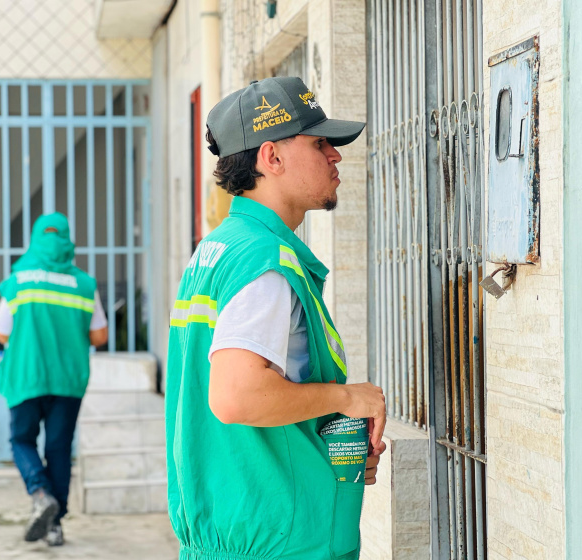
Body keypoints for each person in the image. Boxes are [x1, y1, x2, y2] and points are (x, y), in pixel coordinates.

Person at [165, 76, 387, 560]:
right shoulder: (262, 259)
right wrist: (349, 397)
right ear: (272, 157)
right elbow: (237, 396)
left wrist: (325, 451)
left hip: (247, 528)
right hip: (279, 543)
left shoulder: (220, 249)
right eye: (320, 143)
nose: (336, 156)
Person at [0, 213, 108, 547]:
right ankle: (55, 526)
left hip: (27, 375)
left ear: (35, 238)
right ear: (67, 239)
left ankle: (40, 494)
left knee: (22, 440)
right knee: (58, 448)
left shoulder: (20, 280)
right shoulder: (84, 284)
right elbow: (100, 335)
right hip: (68, 379)